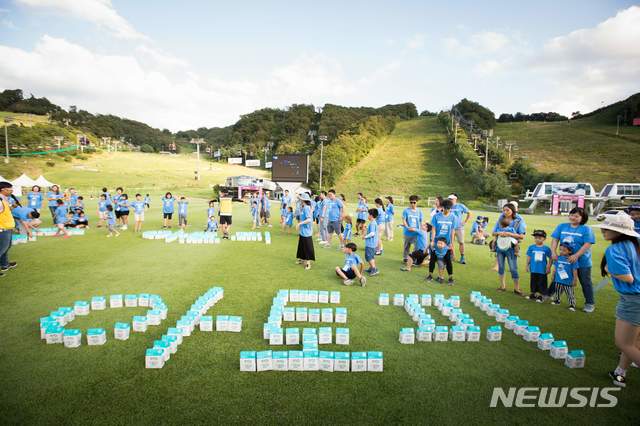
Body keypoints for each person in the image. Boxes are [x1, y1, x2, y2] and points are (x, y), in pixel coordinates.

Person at [593, 213, 640, 387]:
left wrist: (609, 269)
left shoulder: (615, 249)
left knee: (623, 343)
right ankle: (620, 372)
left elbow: (628, 278)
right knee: (634, 342)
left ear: (620, 232)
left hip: (633, 300)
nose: (604, 230)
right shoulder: (635, 243)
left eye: (609, 228)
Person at [551, 207, 596, 313]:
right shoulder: (562, 226)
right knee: (559, 278)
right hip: (564, 261)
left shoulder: (586, 229)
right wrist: (553, 251)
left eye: (576, 216)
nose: (573, 217)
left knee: (585, 282)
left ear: (582, 217)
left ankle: (589, 303)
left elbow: (587, 244)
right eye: (571, 215)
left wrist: (576, 255)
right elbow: (555, 239)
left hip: (582, 261)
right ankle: (554, 296)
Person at [494, 215, 523, 294]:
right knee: (511, 268)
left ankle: (505, 286)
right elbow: (493, 233)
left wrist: (504, 233)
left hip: (504, 249)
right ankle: (514, 288)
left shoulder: (500, 229)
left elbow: (520, 236)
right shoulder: (511, 228)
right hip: (506, 249)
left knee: (505, 268)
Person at [492, 203, 526, 271]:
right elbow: (493, 232)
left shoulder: (519, 220)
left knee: (513, 268)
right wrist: (500, 233)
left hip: (513, 240)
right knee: (497, 243)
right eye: (504, 210)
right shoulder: (501, 218)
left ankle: (513, 263)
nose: (505, 212)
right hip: (501, 239)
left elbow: (522, 236)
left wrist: (509, 234)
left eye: (507, 210)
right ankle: (497, 265)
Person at [526, 230, 552, 302]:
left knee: (542, 282)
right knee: (533, 281)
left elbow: (551, 258)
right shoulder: (531, 247)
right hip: (534, 268)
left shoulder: (546, 248)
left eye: (539, 238)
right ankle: (533, 293)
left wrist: (548, 267)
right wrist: (527, 265)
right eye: (536, 238)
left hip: (542, 269)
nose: (537, 239)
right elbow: (529, 256)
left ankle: (541, 295)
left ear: (544, 239)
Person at [551, 243, 579, 311]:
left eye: (564, 250)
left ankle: (572, 304)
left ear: (570, 251)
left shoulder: (572, 259)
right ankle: (557, 300)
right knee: (557, 290)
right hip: (558, 279)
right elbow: (555, 267)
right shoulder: (558, 258)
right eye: (560, 249)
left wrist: (575, 279)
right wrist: (553, 275)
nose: (561, 251)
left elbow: (574, 270)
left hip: (568, 281)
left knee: (569, 293)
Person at [0, 181, 17, 275]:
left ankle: (4, 264)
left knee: (6, 248)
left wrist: (12, 207)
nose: (12, 190)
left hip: (7, 227)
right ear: (3, 189)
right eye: (10, 188)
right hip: (2, 229)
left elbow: (4, 212)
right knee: (1, 249)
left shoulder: (4, 199)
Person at [448, 193, 471, 264]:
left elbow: (469, 213)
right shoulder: (447, 206)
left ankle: (462, 257)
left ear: (455, 199)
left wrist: (465, 222)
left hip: (459, 227)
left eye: (451, 199)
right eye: (449, 199)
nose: (450, 200)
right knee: (450, 242)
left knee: (461, 242)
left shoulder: (460, 206)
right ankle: (452, 256)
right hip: (450, 227)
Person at [295, 193, 315, 270]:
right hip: (303, 231)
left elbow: (309, 219)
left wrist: (299, 224)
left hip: (307, 232)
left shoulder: (306, 208)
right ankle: (302, 259)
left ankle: (308, 263)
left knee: (307, 247)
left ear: (303, 200)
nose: (299, 200)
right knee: (301, 246)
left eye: (301, 199)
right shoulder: (303, 207)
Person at [402, 195, 423, 263]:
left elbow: (420, 222)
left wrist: (420, 230)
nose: (412, 204)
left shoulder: (420, 211)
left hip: (416, 232)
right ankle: (405, 257)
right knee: (406, 246)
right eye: (411, 202)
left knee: (416, 247)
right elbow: (404, 220)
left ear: (417, 202)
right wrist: (408, 227)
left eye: (414, 202)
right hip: (407, 232)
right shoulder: (406, 210)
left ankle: (413, 258)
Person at [364, 208, 380, 276]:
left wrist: (365, 236)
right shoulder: (373, 222)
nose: (367, 216)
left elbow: (372, 233)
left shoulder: (373, 223)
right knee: (371, 256)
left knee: (369, 257)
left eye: (368, 214)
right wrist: (367, 228)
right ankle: (371, 268)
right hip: (373, 243)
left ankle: (374, 269)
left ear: (371, 215)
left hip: (371, 243)